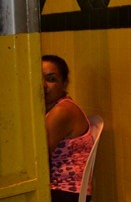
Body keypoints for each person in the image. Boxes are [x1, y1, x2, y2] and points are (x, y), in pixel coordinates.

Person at [42, 55, 94, 202]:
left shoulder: (62, 111)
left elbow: (38, 157)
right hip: (54, 189)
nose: (43, 85)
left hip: (65, 191)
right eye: (38, 78)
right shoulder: (47, 108)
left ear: (64, 84)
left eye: (51, 79)